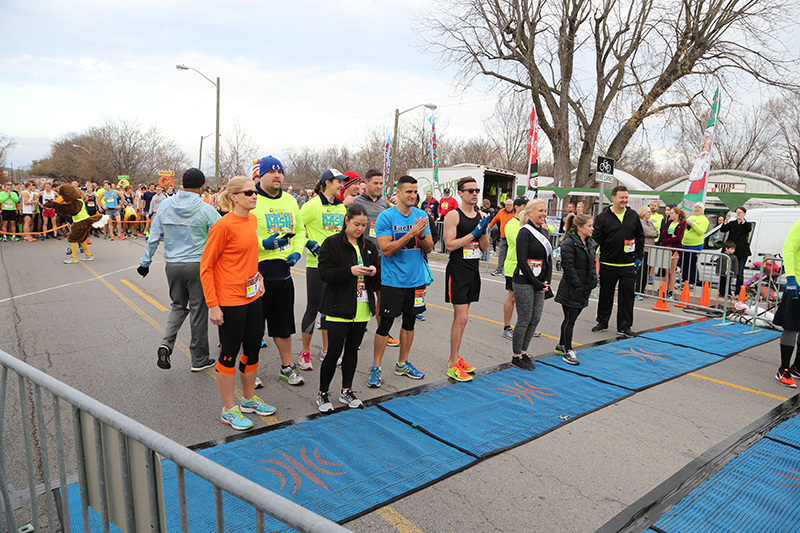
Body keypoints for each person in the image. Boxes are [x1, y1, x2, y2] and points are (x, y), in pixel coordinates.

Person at [200, 176, 276, 431]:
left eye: (254, 192)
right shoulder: (223, 226)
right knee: (229, 353)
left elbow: (249, 258)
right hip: (229, 301)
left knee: (253, 349)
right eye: (247, 193)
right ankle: (229, 410)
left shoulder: (252, 220)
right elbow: (206, 267)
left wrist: (259, 277)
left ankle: (248, 399)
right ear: (233, 197)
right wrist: (212, 304)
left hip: (252, 297)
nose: (254, 196)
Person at [138, 168, 221, 372]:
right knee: (198, 311)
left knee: (177, 306)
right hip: (197, 265)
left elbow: (154, 235)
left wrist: (145, 263)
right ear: (202, 187)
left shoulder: (166, 205)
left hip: (172, 265)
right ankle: (199, 359)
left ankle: (166, 343)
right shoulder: (205, 208)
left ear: (182, 184)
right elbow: (224, 231)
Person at [316, 204, 381, 411]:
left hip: (361, 308)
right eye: (356, 224)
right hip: (338, 308)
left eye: (364, 225)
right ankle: (323, 393)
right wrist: (349, 271)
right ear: (346, 220)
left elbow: (378, 275)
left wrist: (373, 271)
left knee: (352, 351)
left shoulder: (369, 245)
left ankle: (346, 390)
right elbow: (324, 273)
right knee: (334, 352)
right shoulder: (332, 243)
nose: (360, 228)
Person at [369, 175, 432, 387]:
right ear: (398, 193)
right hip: (393, 281)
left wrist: (421, 236)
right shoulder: (386, 217)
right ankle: (376, 367)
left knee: (410, 322)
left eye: (415, 192)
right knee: (385, 325)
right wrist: (410, 234)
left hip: (416, 282)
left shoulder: (421, 215)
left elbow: (430, 247)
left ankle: (402, 363)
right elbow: (386, 250)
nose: (413, 195)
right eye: (409, 192)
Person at [252, 156, 307, 387]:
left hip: (283, 271)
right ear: (261, 175)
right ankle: (249, 368)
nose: (277, 176)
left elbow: (300, 230)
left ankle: (287, 367)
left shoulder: (290, 200)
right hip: (255, 271)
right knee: (253, 326)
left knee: (283, 325)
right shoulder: (251, 198)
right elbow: (237, 236)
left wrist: (297, 252)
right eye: (272, 172)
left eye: (280, 172)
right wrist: (262, 244)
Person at [442, 177, 489, 382]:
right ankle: (452, 364)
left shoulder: (481, 214)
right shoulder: (453, 215)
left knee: (462, 319)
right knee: (462, 318)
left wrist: (484, 231)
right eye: (469, 190)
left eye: (476, 190)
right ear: (460, 193)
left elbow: (485, 248)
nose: (474, 193)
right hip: (458, 269)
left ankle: (456, 357)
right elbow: (450, 245)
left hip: (473, 269)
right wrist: (474, 233)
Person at [299, 169, 347, 369]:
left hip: (337, 267)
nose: (342, 185)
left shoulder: (341, 207)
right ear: (327, 182)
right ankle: (305, 353)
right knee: (313, 309)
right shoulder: (311, 206)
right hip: (316, 265)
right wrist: (309, 243)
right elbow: (294, 230)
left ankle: (327, 350)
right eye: (339, 181)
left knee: (331, 311)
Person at [353, 169, 401, 349]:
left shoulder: (385, 203)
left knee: (383, 296)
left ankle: (384, 332)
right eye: (375, 183)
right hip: (360, 255)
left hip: (381, 257)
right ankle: (355, 335)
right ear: (366, 184)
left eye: (381, 184)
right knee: (361, 298)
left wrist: (397, 205)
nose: (379, 187)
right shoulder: (356, 202)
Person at [591, 185, 644, 337]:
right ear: (613, 198)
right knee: (605, 294)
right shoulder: (603, 217)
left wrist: (639, 256)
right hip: (608, 263)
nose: (624, 200)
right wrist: (590, 257)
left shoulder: (633, 215)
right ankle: (602, 321)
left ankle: (625, 326)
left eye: (626, 198)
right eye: (621, 197)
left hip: (628, 264)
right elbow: (595, 239)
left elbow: (639, 236)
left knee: (627, 296)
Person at [512, 199, 552, 370]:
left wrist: (546, 282)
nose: (544, 214)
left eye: (545, 211)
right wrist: (536, 283)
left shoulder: (544, 232)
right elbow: (522, 261)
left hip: (539, 282)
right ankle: (515, 356)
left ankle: (524, 352)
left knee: (535, 319)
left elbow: (548, 259)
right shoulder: (524, 232)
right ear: (530, 213)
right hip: (524, 281)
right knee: (524, 318)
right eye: (540, 211)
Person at [555, 214, 597, 365]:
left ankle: (561, 344)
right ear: (580, 227)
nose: (592, 228)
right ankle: (568, 350)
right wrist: (577, 283)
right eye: (589, 226)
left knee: (571, 318)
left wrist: (593, 279)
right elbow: (568, 266)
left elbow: (592, 264)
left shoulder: (590, 243)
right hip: (572, 288)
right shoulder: (569, 242)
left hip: (583, 287)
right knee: (570, 318)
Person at [773, 218, 800, 387]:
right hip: (797, 284)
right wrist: (790, 277)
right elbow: (789, 248)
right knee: (791, 326)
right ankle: (783, 369)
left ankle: (797, 366)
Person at [501, 197, 528, 340]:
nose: (526, 208)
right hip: (514, 266)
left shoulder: (529, 223)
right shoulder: (512, 224)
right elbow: (519, 242)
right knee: (512, 297)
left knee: (525, 299)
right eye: (524, 205)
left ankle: (524, 327)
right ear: (516, 207)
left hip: (528, 267)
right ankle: (507, 327)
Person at [720, 206, 753, 293]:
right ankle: (726, 291)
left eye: (740, 212)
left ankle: (738, 291)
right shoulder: (732, 223)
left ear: (745, 214)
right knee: (729, 271)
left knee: (739, 271)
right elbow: (723, 229)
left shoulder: (746, 224)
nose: (738, 214)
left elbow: (748, 229)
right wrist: (726, 220)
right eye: (737, 212)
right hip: (731, 250)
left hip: (742, 251)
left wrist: (742, 220)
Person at [660, 207, 686, 299]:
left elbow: (678, 238)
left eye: (672, 213)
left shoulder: (681, 224)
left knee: (672, 271)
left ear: (677, 214)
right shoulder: (669, 222)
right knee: (666, 270)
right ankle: (665, 289)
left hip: (674, 249)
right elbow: (663, 234)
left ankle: (671, 291)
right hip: (666, 247)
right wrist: (670, 236)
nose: (670, 215)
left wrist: (669, 239)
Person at [681, 202, 709, 286]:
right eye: (695, 207)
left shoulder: (704, 219)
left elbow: (701, 232)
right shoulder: (690, 217)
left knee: (692, 264)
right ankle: (684, 281)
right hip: (685, 244)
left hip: (695, 245)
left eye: (699, 208)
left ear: (702, 210)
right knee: (684, 264)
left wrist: (693, 224)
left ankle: (691, 282)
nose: (697, 209)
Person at [488, 199, 516, 276]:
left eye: (509, 205)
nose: (508, 206)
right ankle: (499, 269)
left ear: (513, 205)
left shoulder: (516, 213)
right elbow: (495, 219)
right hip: (503, 236)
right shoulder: (501, 212)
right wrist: (489, 226)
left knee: (512, 255)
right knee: (501, 254)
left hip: (512, 238)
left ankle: (513, 271)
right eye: (507, 205)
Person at [636, 206, 658, 300]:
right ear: (644, 213)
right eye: (648, 212)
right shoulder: (640, 222)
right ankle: (636, 290)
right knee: (641, 271)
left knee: (646, 272)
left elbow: (656, 233)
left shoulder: (650, 223)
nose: (650, 213)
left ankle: (642, 290)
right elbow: (646, 232)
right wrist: (652, 233)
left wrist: (653, 233)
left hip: (650, 250)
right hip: (643, 249)